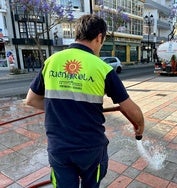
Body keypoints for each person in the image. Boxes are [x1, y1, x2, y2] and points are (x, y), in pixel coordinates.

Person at [25, 14, 144, 188]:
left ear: (77, 34)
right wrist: (140, 125)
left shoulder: (51, 61)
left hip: (59, 148)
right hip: (91, 149)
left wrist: (62, 109)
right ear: (99, 37)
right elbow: (131, 108)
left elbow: (31, 100)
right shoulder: (102, 68)